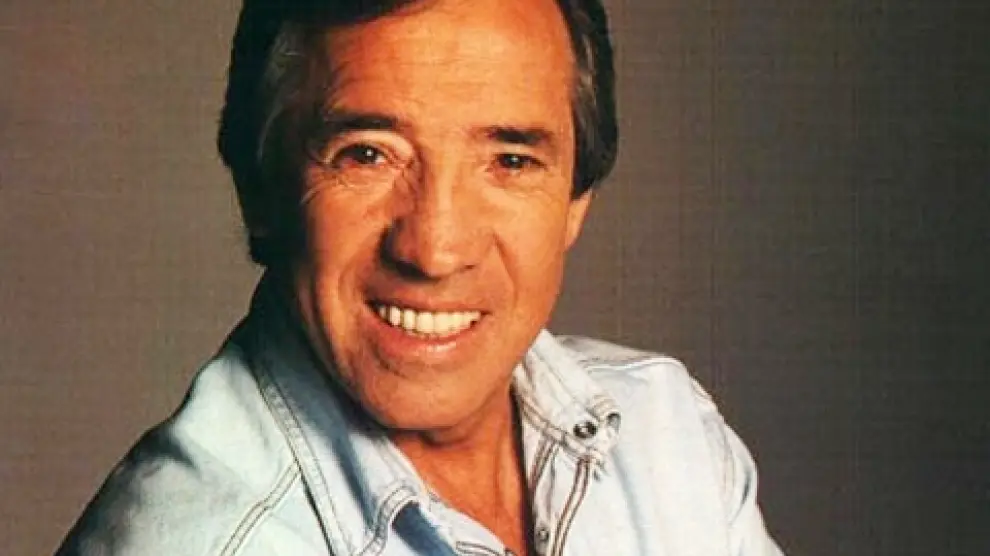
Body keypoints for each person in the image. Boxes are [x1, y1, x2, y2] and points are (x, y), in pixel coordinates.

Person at [57, 0, 784, 554]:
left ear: (575, 202)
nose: (434, 250)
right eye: (367, 154)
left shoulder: (670, 437)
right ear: (260, 187)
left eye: (510, 161)